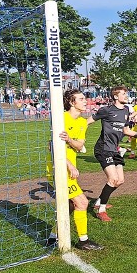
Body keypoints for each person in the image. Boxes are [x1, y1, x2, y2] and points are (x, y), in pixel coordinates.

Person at [47, 89, 103, 250]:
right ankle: (83, 241)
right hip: (57, 169)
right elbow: (52, 146)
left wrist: (69, 139)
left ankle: (52, 236)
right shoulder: (61, 119)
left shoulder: (81, 122)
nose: (85, 101)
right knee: (82, 202)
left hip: (69, 170)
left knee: (70, 205)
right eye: (81, 99)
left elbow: (79, 146)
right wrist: (68, 164)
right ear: (72, 102)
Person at [87, 86, 137, 222]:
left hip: (115, 149)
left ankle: (99, 201)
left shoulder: (126, 110)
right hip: (103, 148)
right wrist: (78, 138)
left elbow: (125, 130)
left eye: (126, 94)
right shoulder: (106, 110)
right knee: (113, 179)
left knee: (120, 180)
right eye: (123, 94)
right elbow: (87, 122)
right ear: (115, 97)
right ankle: (101, 210)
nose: (126, 96)